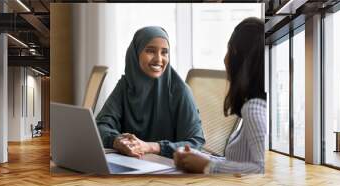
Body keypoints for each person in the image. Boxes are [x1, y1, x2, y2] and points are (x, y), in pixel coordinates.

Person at [174, 17, 266, 174]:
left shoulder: (254, 108)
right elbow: (238, 162)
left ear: (238, 54)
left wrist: (208, 166)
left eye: (229, 49)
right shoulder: (254, 105)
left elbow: (262, 169)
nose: (225, 58)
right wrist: (200, 158)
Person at [96, 26, 205, 159]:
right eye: (151, 51)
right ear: (136, 54)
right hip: (132, 162)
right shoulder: (126, 85)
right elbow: (101, 125)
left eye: (164, 52)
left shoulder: (180, 91)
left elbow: (196, 143)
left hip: (167, 167)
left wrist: (150, 147)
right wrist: (117, 141)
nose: (159, 59)